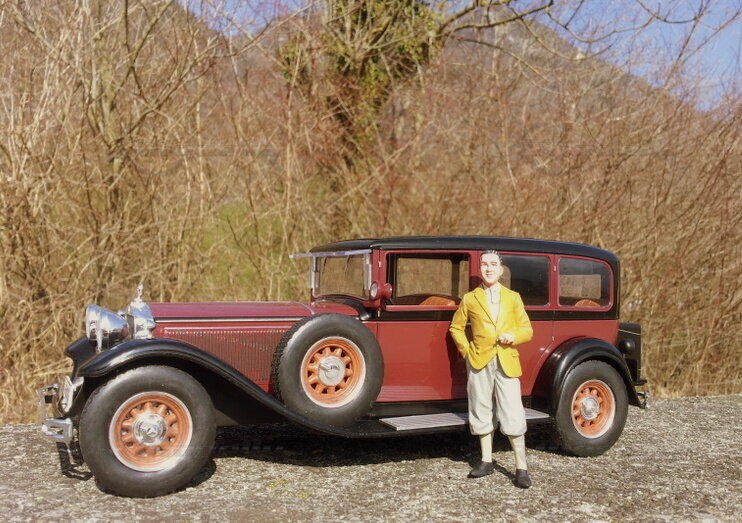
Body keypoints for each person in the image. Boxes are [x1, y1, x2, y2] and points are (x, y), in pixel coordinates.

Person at [449, 250, 533, 488]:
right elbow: (456, 328)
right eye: (485, 264)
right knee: (480, 408)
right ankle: (486, 461)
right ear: (480, 269)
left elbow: (527, 329)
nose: (489, 268)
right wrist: (467, 352)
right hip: (479, 361)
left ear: (500, 269)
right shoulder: (470, 298)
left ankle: (521, 467)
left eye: (493, 264)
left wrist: (513, 336)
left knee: (513, 411)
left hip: (507, 360)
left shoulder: (513, 297)